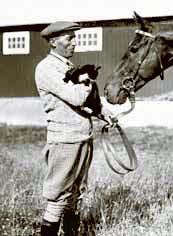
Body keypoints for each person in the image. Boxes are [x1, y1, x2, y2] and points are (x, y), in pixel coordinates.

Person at [35, 21, 112, 236]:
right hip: (64, 140)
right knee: (58, 196)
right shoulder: (46, 68)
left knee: (76, 194)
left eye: (74, 37)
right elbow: (77, 97)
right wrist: (87, 81)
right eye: (69, 38)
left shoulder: (68, 67)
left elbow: (89, 101)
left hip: (82, 137)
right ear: (53, 41)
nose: (74, 42)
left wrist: (105, 113)